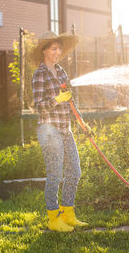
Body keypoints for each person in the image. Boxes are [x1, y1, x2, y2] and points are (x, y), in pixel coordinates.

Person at [30, 31, 89, 232]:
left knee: (74, 172)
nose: (58, 52)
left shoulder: (61, 72)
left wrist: (82, 123)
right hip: (49, 130)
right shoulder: (40, 75)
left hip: (66, 129)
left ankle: (68, 213)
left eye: (59, 49)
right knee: (55, 175)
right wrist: (57, 99)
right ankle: (53, 218)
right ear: (44, 51)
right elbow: (39, 107)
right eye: (54, 49)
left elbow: (70, 101)